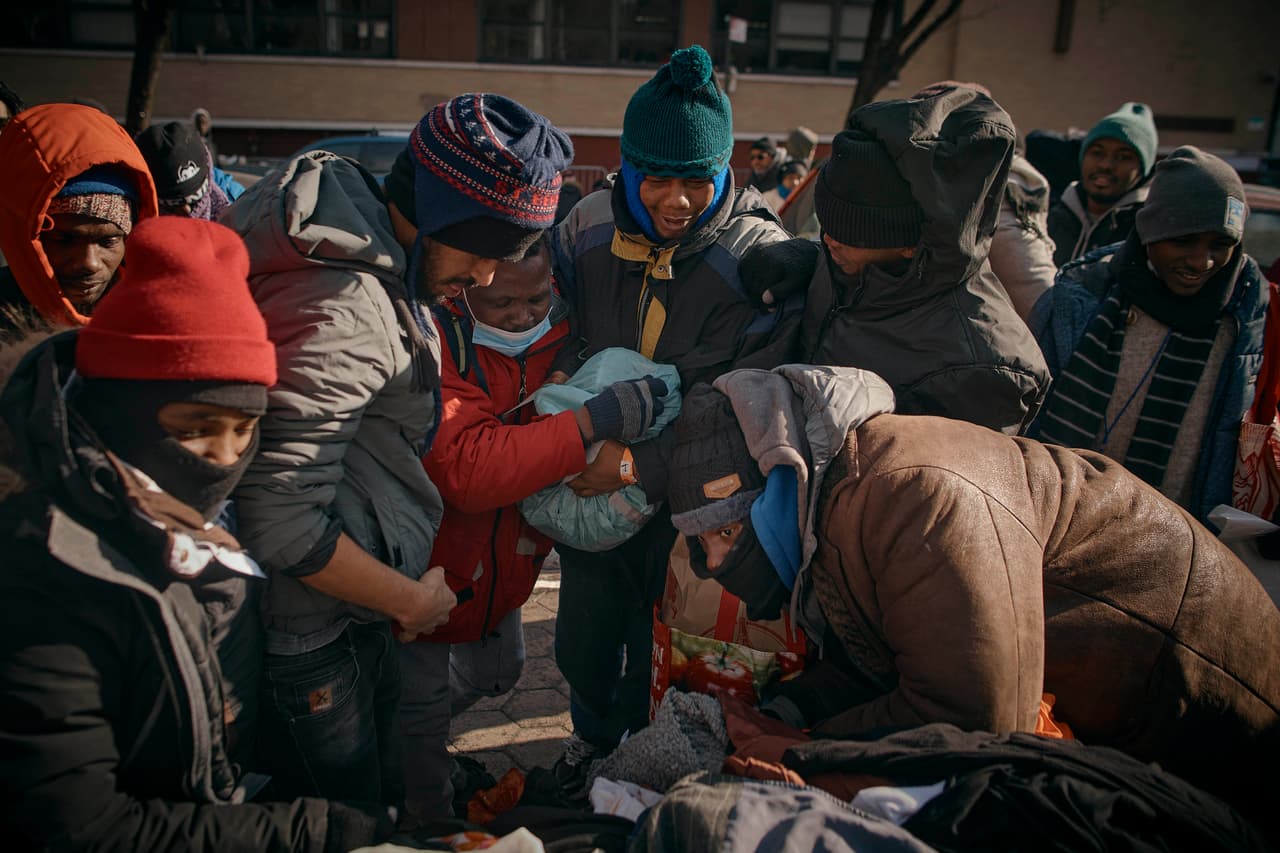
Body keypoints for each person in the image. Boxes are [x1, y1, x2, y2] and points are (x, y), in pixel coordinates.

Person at [666, 368, 1280, 833]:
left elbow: (976, 714)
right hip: (1114, 724)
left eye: (727, 533)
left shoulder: (911, 490)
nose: (717, 564)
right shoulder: (831, 500)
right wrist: (787, 711)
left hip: (1205, 724)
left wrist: (800, 746)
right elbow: (885, 664)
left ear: (781, 476)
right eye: (703, 542)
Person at [0, 216, 398, 851]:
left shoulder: (186, 523)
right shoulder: (44, 574)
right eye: (193, 427)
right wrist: (314, 832)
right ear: (118, 409)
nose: (222, 458)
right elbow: (78, 827)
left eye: (245, 430)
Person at [222, 92, 573, 810]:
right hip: (315, 636)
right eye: (484, 253)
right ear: (444, 215)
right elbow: (282, 521)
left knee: (374, 797)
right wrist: (411, 597)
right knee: (344, 816)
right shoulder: (346, 305)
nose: (482, 281)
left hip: (343, 615)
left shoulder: (376, 247)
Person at [547, 44, 790, 791]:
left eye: (697, 179)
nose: (676, 199)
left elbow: (740, 398)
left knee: (662, 645)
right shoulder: (584, 227)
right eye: (656, 175)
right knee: (582, 641)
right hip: (591, 492)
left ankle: (643, 759)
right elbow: (554, 331)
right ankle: (592, 739)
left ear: (726, 173)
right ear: (626, 167)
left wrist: (631, 466)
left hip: (685, 500)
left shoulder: (759, 258)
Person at [399, 237, 665, 821]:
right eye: (502, 305)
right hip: (431, 575)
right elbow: (468, 467)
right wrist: (589, 422)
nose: (522, 316)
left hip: (510, 573)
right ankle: (424, 807)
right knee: (416, 720)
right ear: (464, 287)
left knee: (499, 673)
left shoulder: (568, 334)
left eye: (537, 299)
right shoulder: (434, 338)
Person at [739, 84, 1049, 435]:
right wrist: (806, 256)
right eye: (826, 225)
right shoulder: (848, 259)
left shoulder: (984, 370)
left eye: (848, 234)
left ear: (910, 244)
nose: (828, 240)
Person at [1030, 146, 1267, 527]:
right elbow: (1027, 425)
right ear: (1149, 232)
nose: (1200, 261)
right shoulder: (1077, 302)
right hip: (1063, 523)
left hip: (1176, 537)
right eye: (1184, 240)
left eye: (1219, 244)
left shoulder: (1246, 322)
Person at [0, 103, 157, 332]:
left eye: (108, 242)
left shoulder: (153, 311)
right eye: (64, 241)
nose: (89, 263)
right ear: (25, 237)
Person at [1047, 102, 1157, 266]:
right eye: (1097, 153)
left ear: (1142, 170)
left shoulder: (1147, 230)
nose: (1106, 165)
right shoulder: (1050, 215)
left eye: (1123, 157)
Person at [135, 121, 242, 220]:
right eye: (173, 205)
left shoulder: (237, 201)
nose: (187, 210)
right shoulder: (131, 210)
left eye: (195, 199)